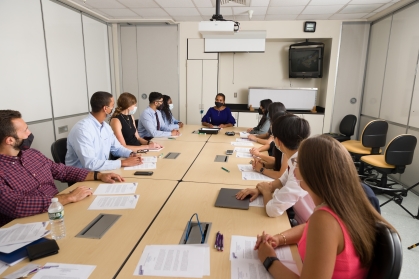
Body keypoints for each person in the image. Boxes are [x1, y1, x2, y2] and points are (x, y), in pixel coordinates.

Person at [254, 135, 396, 278]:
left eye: (297, 162)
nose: (293, 168)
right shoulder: (347, 202)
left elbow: (320, 228)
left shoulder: (324, 220)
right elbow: (308, 228)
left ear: (312, 172)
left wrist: (269, 259)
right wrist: (278, 239)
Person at [0, 110, 125, 227]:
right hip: (30, 225)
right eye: (25, 130)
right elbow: (17, 205)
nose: (29, 133)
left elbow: (61, 171)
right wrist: (68, 197)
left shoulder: (32, 154)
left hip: (61, 211)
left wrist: (98, 175)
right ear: (10, 140)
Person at [236, 114, 314, 224]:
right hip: (302, 220)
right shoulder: (297, 158)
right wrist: (259, 190)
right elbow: (282, 181)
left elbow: (272, 211)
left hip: (308, 225)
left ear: (277, 141)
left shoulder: (300, 168)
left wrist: (266, 191)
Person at [66, 91, 143, 171]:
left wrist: (131, 154)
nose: (114, 108)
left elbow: (117, 148)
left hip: (101, 172)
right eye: (112, 106)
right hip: (83, 177)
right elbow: (90, 164)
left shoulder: (105, 127)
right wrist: (123, 162)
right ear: (105, 108)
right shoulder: (82, 130)